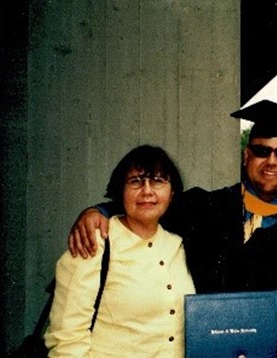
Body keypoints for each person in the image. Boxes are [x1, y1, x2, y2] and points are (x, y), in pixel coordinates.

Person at [65, 100, 277, 346]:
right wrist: (97, 211)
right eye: (262, 150)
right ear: (246, 155)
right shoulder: (205, 206)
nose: (271, 161)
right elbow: (146, 206)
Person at [44, 145, 195, 357]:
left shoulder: (177, 245)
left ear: (172, 194)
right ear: (120, 192)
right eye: (135, 181)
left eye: (158, 181)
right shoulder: (94, 242)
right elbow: (67, 338)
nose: (147, 191)